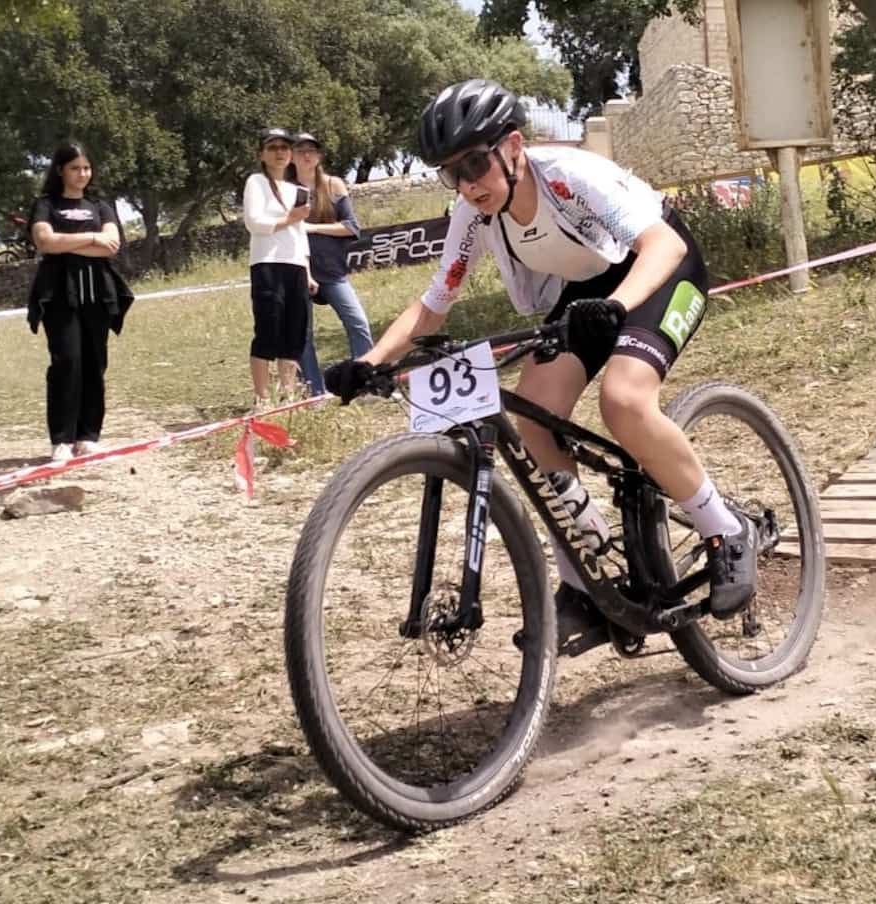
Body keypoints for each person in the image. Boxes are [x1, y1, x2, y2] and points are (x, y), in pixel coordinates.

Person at [325, 79, 761, 643]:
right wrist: (370, 360)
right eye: (451, 173)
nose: (467, 184)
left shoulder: (569, 175)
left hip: (659, 269)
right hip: (585, 293)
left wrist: (616, 306)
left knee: (624, 400)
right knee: (532, 417)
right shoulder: (474, 214)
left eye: (475, 164)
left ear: (511, 147)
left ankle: (726, 533)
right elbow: (433, 305)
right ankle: (588, 578)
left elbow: (663, 247)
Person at [26, 141, 134, 463]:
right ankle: (62, 438)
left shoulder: (100, 206)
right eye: (75, 168)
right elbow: (45, 241)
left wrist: (68, 243)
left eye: (86, 168)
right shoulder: (46, 204)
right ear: (61, 170)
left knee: (94, 363)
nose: (82, 174)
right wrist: (90, 237)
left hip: (97, 294)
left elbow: (111, 245)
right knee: (67, 361)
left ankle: (88, 436)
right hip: (59, 294)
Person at [289, 132, 373, 395]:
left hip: (333, 271)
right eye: (300, 150)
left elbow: (351, 227)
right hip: (297, 272)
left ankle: (364, 383)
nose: (306, 155)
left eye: (311, 150)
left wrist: (312, 228)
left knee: (358, 322)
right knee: (302, 335)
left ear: (319, 156)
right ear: (291, 156)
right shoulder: (285, 191)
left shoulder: (333, 185)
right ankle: (315, 393)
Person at [243, 127, 315, 410]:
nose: (280, 153)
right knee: (268, 329)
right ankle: (261, 398)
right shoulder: (256, 182)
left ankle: (288, 394)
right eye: (273, 147)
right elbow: (254, 222)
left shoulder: (297, 189)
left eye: (285, 147)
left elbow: (301, 233)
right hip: (267, 264)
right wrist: (289, 218)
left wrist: (307, 270)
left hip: (295, 264)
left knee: (295, 331)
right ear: (262, 153)